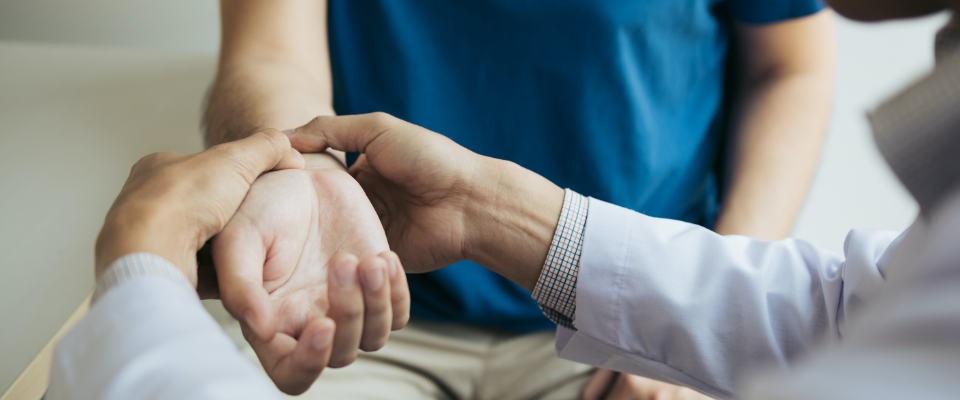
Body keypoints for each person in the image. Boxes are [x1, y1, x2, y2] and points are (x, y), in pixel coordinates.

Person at [203, 0, 835, 397]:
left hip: (622, 323)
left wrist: (695, 316)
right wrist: (296, 174)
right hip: (363, 308)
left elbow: (789, 68)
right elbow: (268, 53)